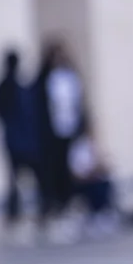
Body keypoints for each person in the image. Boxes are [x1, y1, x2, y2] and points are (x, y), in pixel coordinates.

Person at [36, 37, 87, 230]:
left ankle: (70, 202)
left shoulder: (70, 76)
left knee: (71, 168)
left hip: (70, 129)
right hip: (52, 133)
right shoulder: (45, 78)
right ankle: (55, 204)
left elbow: (78, 103)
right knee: (55, 168)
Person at [0, 48, 41, 235]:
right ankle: (15, 213)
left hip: (20, 139)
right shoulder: (10, 87)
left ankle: (22, 212)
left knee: (19, 178)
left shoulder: (17, 86)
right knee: (16, 178)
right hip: (17, 139)